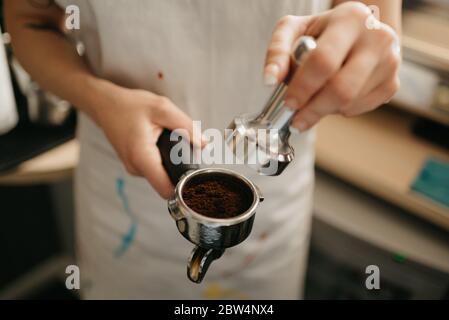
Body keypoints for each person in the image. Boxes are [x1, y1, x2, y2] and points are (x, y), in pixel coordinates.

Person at [5, 0, 401, 299]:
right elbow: (30, 19)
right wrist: (100, 100)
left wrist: (367, 43)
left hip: (269, 215)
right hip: (126, 206)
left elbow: (375, 22)